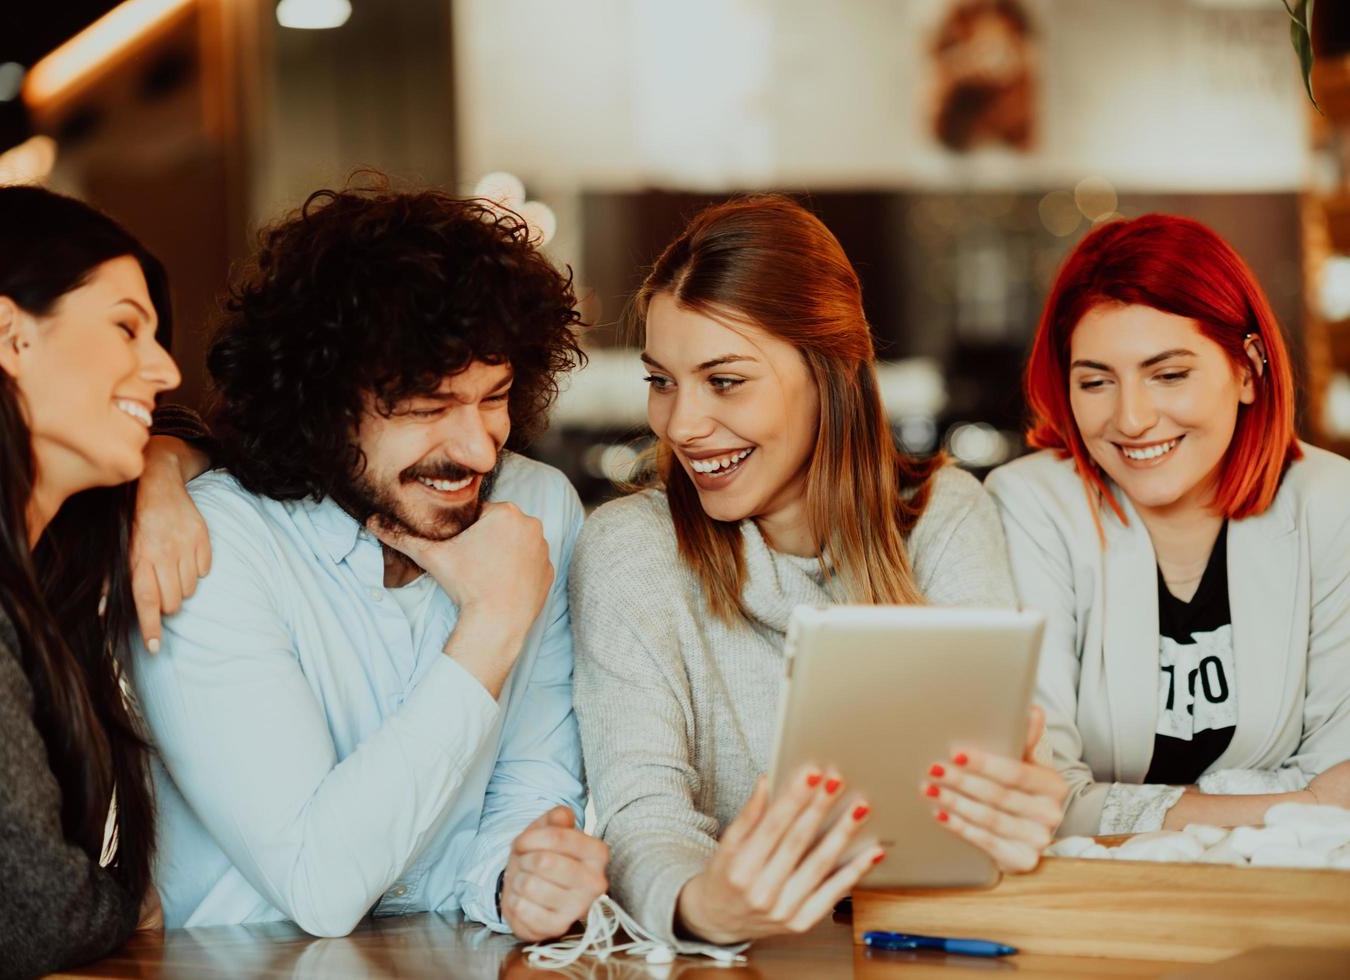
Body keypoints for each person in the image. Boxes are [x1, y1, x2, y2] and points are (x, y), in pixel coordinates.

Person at [569, 195, 1067, 951]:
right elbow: (642, 815)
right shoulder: (631, 549)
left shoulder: (942, 516)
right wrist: (705, 907)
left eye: (725, 381)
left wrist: (1021, 807)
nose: (681, 424)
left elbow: (1000, 792)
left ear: (830, 369)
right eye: (662, 380)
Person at [125, 181, 607, 941]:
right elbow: (318, 884)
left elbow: (533, 765)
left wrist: (518, 872)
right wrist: (491, 628)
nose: (480, 447)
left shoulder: (538, 506)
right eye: (426, 409)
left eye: (495, 396)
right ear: (323, 402)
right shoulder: (216, 542)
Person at [0, 186, 183, 977]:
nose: (166, 369)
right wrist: (132, 901)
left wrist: (172, 468)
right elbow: (18, 917)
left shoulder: (8, 569)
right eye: (126, 327)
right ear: (10, 337)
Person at [986, 214, 1350, 836]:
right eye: (1096, 381)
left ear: (1247, 368)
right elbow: (1035, 798)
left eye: (1169, 374)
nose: (1131, 419)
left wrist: (1120, 808)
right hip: (1093, 908)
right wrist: (1293, 803)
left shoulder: (1331, 503)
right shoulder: (1030, 506)